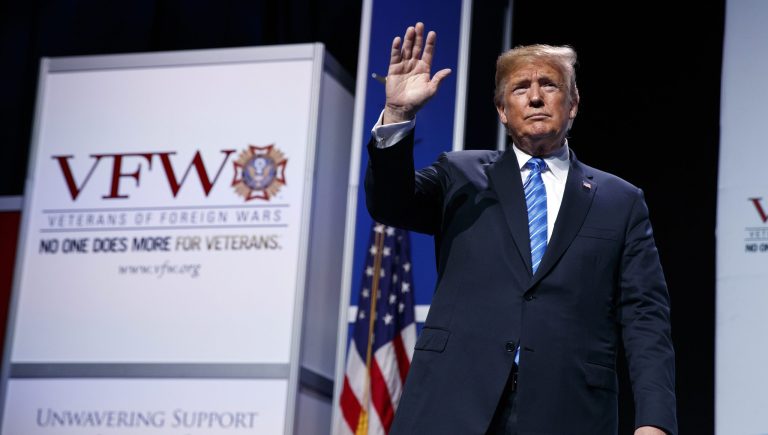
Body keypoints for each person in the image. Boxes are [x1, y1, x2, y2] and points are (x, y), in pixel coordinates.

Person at [364, 22, 676, 434]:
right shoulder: (458, 174)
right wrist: (399, 115)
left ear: (573, 102)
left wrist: (654, 421)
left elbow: (645, 317)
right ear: (501, 109)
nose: (534, 97)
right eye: (519, 88)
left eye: (548, 84)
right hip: (453, 400)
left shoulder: (621, 200)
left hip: (569, 409)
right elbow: (390, 204)